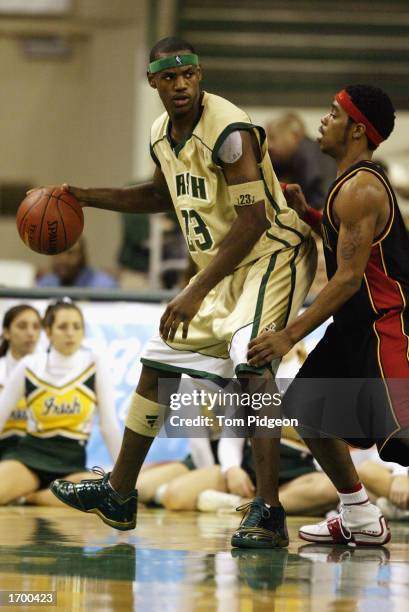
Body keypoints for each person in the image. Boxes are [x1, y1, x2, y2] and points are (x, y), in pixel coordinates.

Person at [48, 36, 316, 545]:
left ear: (200, 74)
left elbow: (254, 219)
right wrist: (84, 197)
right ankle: (120, 493)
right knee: (157, 363)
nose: (181, 85)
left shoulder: (230, 132)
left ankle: (269, 509)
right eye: (169, 78)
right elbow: (157, 194)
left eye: (188, 75)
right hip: (225, 265)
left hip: (272, 253)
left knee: (254, 358)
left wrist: (194, 291)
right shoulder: (160, 134)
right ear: (153, 82)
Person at [248, 84, 409, 545]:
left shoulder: (360, 188)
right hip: (356, 325)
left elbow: (347, 279)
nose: (323, 119)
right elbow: (353, 246)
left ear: (357, 129)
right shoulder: (349, 185)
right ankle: (359, 514)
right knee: (308, 409)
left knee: (402, 441)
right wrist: (311, 216)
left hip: (387, 325)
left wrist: (288, 334)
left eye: (333, 113)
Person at [0, 300, 122, 506]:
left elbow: (109, 426)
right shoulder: (30, 365)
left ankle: (31, 497)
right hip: (29, 461)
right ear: (48, 331)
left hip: (72, 466)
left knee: (104, 498)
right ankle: (31, 491)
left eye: (77, 327)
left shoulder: (95, 363)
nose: (70, 333)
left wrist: (123, 476)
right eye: (62, 327)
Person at [266, 113, 336, 210]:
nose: (269, 145)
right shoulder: (290, 159)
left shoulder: (310, 156)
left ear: (294, 136)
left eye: (272, 137)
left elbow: (323, 205)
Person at [0, 304, 42, 458]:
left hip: (39, 453)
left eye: (36, 327)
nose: (30, 333)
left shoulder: (52, 374)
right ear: (6, 332)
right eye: (22, 326)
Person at [37, 237, 118, 289]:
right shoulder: (46, 284)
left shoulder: (104, 286)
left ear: (82, 256)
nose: (63, 259)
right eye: (58, 252)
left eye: (71, 253)